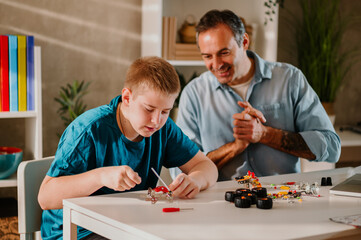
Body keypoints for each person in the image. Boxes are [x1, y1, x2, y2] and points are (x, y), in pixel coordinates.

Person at [38, 56, 218, 240]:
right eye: (148, 109)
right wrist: (101, 176)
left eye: (165, 112)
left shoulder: (163, 129)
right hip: (76, 231)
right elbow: (45, 197)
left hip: (129, 225)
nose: (156, 121)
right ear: (127, 97)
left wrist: (195, 180)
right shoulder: (89, 130)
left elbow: (207, 166)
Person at [171, 9, 340, 181]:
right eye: (207, 56)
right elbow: (180, 170)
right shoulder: (194, 93)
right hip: (222, 201)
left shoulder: (290, 79)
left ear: (244, 42)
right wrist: (234, 147)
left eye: (224, 53)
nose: (216, 64)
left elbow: (332, 148)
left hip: (283, 197)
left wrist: (265, 134)